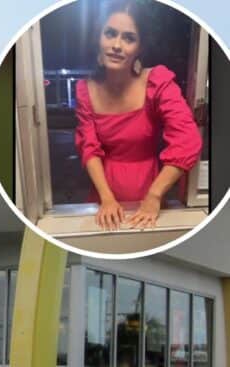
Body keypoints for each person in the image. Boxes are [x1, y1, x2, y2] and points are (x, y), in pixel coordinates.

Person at [74, 0, 202, 231]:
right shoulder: (85, 90)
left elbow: (187, 140)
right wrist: (107, 197)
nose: (117, 45)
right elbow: (88, 147)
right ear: (98, 38)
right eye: (110, 34)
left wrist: (154, 196)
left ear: (140, 47)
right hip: (105, 189)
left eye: (129, 38)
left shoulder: (157, 82)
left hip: (150, 186)